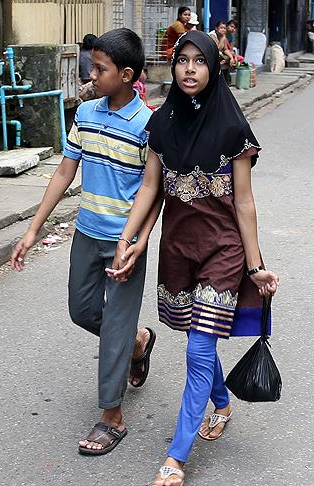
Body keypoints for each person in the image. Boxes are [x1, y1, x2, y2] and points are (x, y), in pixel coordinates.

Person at [106, 31, 279, 486]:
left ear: (212, 68)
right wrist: (130, 237)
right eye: (181, 60)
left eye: (198, 62)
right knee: (195, 336)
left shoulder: (233, 131)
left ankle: (177, 455)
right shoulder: (162, 124)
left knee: (200, 346)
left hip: (224, 250)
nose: (188, 69)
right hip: (178, 249)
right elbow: (150, 187)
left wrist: (255, 265)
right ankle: (221, 404)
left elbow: (244, 203)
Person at [10, 28, 158, 455]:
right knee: (83, 310)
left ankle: (112, 416)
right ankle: (137, 342)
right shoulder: (87, 114)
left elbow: (156, 190)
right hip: (87, 233)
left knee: (113, 324)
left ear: (127, 74)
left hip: (124, 242)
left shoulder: (149, 124)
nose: (91, 75)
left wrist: (136, 241)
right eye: (92, 66)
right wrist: (33, 229)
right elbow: (63, 172)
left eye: (100, 68)